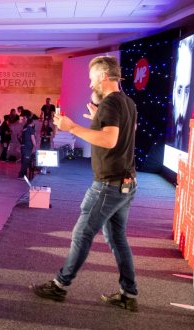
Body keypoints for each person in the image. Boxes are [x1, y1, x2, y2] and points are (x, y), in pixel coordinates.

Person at [31, 55, 140, 312]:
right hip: (126, 183)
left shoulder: (111, 102)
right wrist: (97, 118)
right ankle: (128, 293)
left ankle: (60, 285)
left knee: (82, 234)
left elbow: (110, 140)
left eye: (92, 78)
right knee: (117, 239)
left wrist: (71, 127)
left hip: (108, 185)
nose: (90, 84)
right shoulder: (127, 102)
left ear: (103, 76)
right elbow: (127, 133)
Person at [17, 110, 37, 179]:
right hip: (27, 148)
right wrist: (35, 146)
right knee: (25, 162)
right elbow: (33, 139)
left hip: (23, 147)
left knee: (23, 161)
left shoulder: (24, 129)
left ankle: (24, 174)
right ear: (32, 122)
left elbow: (19, 136)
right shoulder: (31, 129)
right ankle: (21, 175)